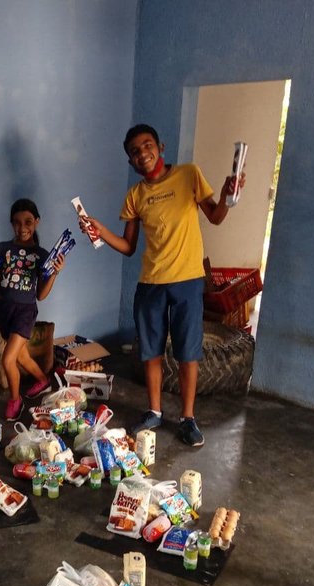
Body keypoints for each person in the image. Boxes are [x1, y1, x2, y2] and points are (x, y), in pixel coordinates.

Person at [81, 124, 245, 446]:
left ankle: (187, 418)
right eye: (134, 151)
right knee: (151, 352)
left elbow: (215, 216)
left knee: (188, 353)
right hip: (151, 283)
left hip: (186, 282)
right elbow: (129, 247)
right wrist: (100, 231)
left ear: (161, 146)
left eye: (146, 145)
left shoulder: (188, 175)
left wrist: (227, 196)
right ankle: (154, 412)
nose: (142, 153)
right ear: (130, 162)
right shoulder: (136, 196)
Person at [0, 198, 65, 421]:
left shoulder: (43, 255)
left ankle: (15, 401)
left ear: (36, 222)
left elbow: (41, 295)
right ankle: (43, 381)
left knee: (8, 360)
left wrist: (55, 272)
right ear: (11, 224)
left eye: (28, 222)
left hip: (25, 313)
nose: (22, 228)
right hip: (3, 312)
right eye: (16, 222)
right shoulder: (1, 249)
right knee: (22, 356)